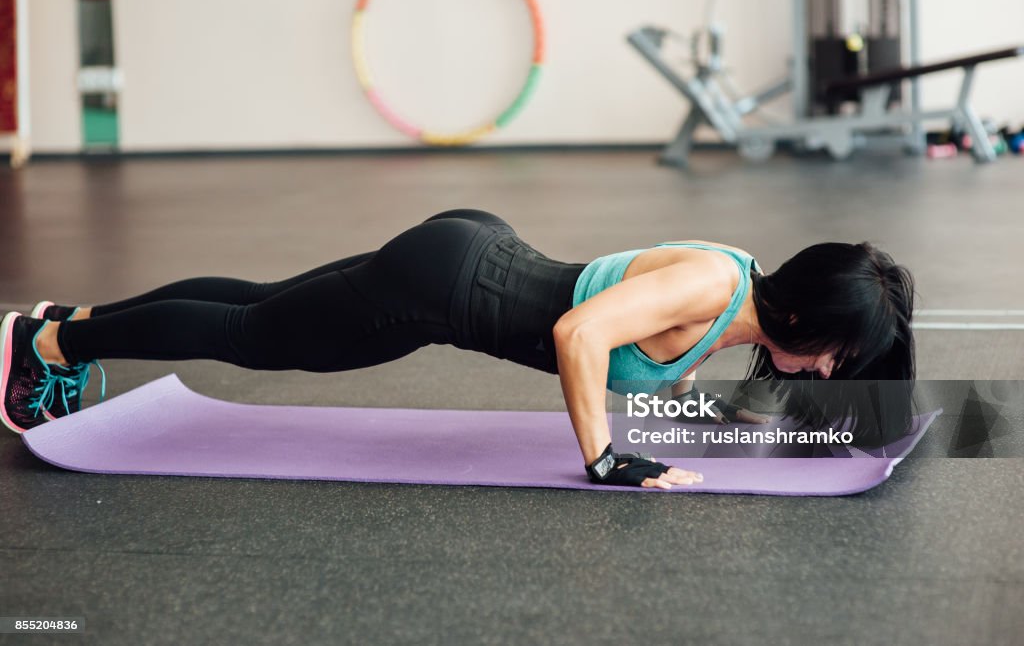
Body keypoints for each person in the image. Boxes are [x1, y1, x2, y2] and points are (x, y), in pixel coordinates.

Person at [0, 209, 915, 489]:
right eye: (837, 352)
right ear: (802, 319)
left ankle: (70, 321)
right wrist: (603, 457)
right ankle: (47, 341)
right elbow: (579, 331)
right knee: (252, 335)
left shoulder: (742, 292)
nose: (832, 370)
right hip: (441, 290)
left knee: (265, 309)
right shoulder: (717, 288)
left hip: (464, 258)